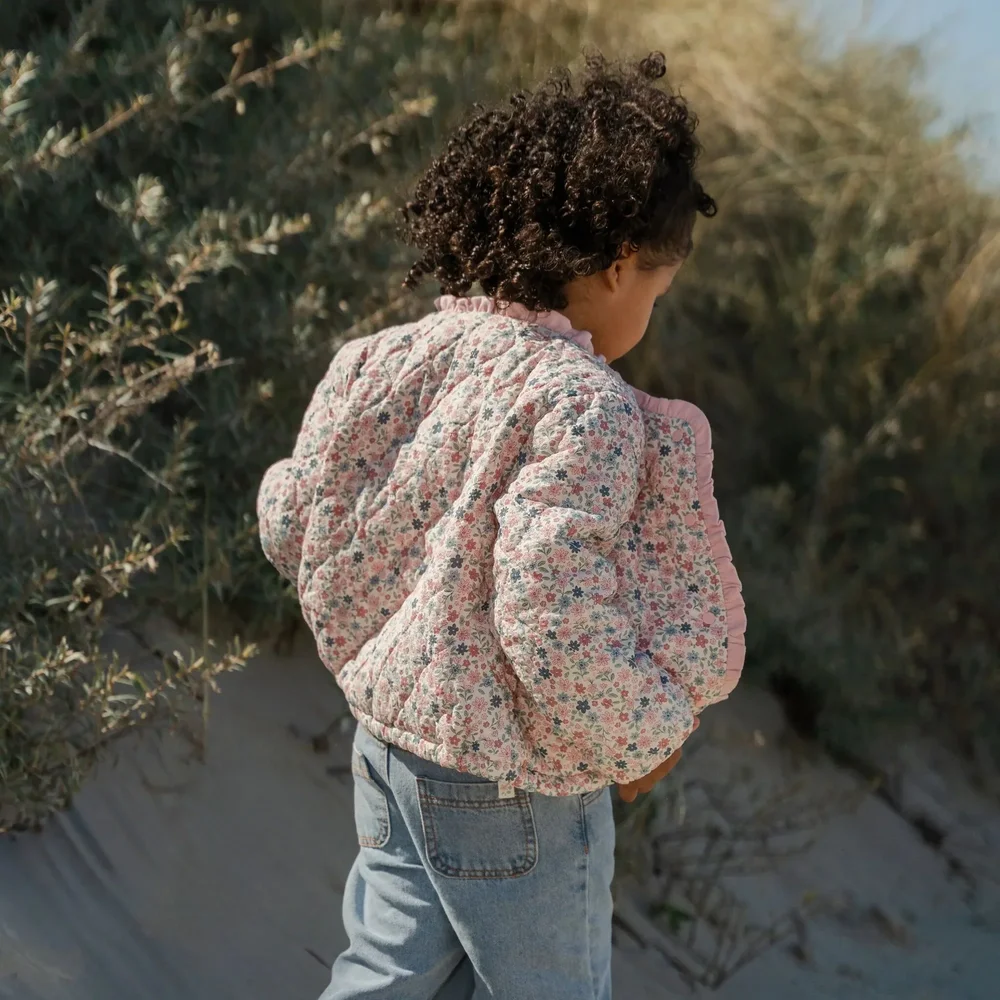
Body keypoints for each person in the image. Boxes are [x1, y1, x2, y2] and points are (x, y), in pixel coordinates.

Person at [257, 50, 744, 1000]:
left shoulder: (383, 359)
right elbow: (549, 613)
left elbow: (290, 510)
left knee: (385, 977)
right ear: (614, 269)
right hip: (514, 778)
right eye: (656, 290)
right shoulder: (583, 406)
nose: (649, 311)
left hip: (390, 743)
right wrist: (641, 734)